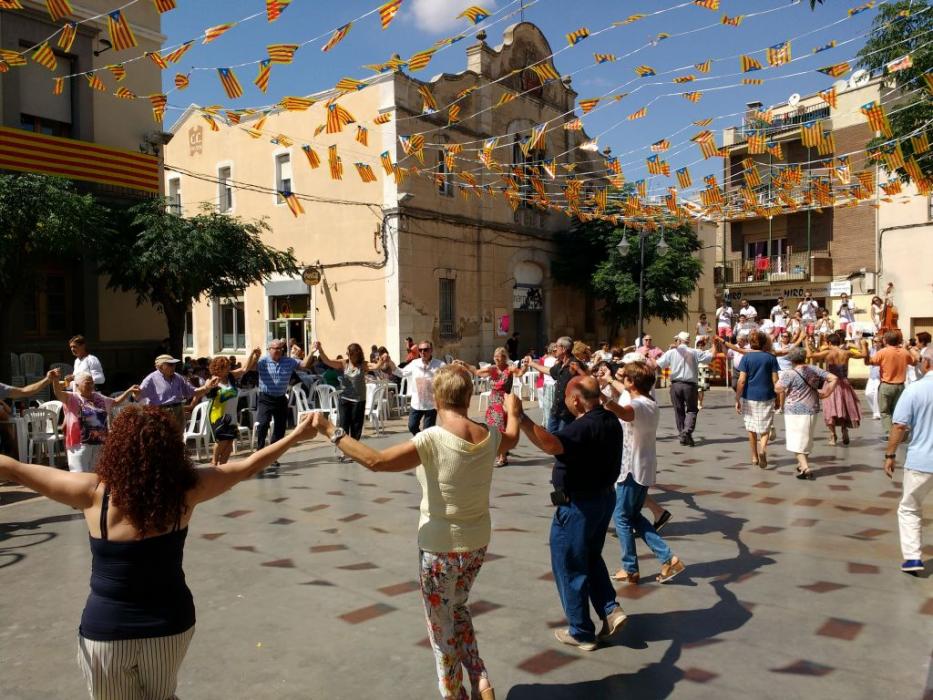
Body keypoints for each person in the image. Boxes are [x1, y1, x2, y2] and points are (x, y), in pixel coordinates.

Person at [0, 407, 316, 699]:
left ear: (116, 448)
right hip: (170, 624)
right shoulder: (188, 490)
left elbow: (13, 469)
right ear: (170, 450)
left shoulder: (92, 492)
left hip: (107, 631)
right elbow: (248, 466)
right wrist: (296, 435)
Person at [313, 365, 519, 700]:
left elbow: (376, 461)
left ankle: (454, 693)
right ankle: (481, 679)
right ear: (469, 397)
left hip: (440, 549)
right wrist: (513, 412)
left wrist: (331, 430)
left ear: (437, 398)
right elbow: (512, 436)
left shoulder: (431, 439)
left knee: (441, 630)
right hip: (476, 543)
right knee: (458, 608)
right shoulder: (487, 434)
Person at [514, 376, 628, 651]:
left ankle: (581, 631)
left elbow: (552, 445)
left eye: (566, 397)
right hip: (603, 499)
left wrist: (522, 418)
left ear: (575, 399)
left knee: (569, 565)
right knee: (589, 556)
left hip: (579, 505)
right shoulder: (610, 420)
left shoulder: (585, 426)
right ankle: (610, 609)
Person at [601, 361, 685, 585]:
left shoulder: (638, 406)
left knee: (621, 516)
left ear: (632, 382)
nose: (622, 379)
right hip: (642, 465)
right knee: (633, 516)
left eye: (625, 377)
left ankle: (630, 568)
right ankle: (668, 558)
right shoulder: (650, 402)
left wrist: (599, 396)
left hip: (632, 468)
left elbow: (622, 412)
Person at [885, 350, 933, 574]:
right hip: (922, 460)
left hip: (922, 460)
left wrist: (890, 454)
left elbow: (899, 425)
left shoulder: (915, 389)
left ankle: (913, 558)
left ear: (926, 363)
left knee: (910, 508)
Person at [49, 369, 138, 473]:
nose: (91, 385)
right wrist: (55, 380)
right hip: (79, 445)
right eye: (88, 383)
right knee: (80, 477)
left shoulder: (98, 397)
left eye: (92, 383)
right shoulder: (71, 397)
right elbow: (57, 392)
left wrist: (129, 391)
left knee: (96, 475)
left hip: (99, 443)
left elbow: (115, 402)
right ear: (77, 385)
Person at [775, 347, 838, 480]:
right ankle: (801, 464)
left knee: (795, 440)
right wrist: (827, 393)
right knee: (806, 438)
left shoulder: (789, 373)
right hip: (812, 408)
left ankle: (805, 467)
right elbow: (834, 378)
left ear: (792, 360)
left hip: (793, 410)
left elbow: (778, 388)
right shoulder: (814, 369)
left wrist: (776, 380)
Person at [314, 342, 388, 454]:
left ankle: (353, 451)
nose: (351, 356)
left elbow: (376, 366)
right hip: (345, 399)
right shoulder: (343, 363)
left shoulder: (362, 365)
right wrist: (320, 350)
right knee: (344, 426)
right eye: (350, 354)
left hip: (358, 401)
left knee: (356, 427)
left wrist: (381, 360)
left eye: (354, 354)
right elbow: (327, 361)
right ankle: (345, 451)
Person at [255, 339, 313, 477]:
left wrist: (311, 351)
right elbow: (248, 368)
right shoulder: (263, 362)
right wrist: (254, 356)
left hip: (281, 398)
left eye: (281, 349)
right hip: (266, 397)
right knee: (263, 424)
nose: (279, 351)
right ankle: (259, 451)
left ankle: (273, 455)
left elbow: (304, 364)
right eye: (275, 348)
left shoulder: (288, 361)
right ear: (269, 349)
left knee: (280, 429)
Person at [457, 348, 524, 467]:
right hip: (493, 403)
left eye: (499, 356)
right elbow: (477, 372)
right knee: (493, 430)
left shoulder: (510, 369)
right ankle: (500, 453)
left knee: (500, 429)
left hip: (504, 402)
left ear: (504, 357)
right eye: (495, 356)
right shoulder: (492, 369)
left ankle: (502, 457)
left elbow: (520, 373)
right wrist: (465, 364)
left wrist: (526, 366)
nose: (496, 358)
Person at [203, 350, 260, 466]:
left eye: (229, 366)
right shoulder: (213, 381)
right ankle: (214, 462)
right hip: (218, 414)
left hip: (232, 414)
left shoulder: (230, 377)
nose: (229, 368)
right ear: (218, 369)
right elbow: (204, 391)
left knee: (230, 441)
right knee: (222, 440)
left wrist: (254, 356)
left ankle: (223, 466)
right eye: (226, 367)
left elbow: (244, 369)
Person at [656, 331, 713, 447]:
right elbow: (709, 358)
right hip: (690, 385)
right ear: (688, 341)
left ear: (679, 341)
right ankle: (686, 432)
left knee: (679, 410)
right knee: (692, 410)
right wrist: (715, 346)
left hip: (675, 385)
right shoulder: (695, 352)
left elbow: (658, 364)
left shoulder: (671, 352)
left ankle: (683, 434)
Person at [735, 331, 780, 468]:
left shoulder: (746, 358)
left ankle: (754, 457)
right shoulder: (771, 358)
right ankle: (763, 449)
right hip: (766, 395)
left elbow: (741, 380)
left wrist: (737, 398)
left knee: (751, 428)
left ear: (751, 342)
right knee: (765, 428)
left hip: (749, 396)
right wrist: (778, 397)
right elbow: (775, 379)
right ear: (764, 342)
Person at [138, 355, 217, 432]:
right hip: (161, 412)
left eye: (174, 364)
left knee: (178, 439)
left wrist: (206, 387)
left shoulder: (178, 377)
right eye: (170, 364)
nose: (173, 367)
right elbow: (137, 397)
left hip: (178, 410)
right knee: (163, 439)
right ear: (160, 366)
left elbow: (192, 391)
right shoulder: (150, 379)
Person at [807, 333, 861, 445]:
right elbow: (864, 354)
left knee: (830, 409)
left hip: (831, 383)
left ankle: (832, 435)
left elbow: (810, 355)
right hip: (844, 383)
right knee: (844, 407)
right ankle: (844, 430)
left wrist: (806, 343)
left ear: (829, 343)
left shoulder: (828, 353)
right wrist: (861, 343)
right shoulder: (846, 352)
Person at [861, 332, 916, 438]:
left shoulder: (883, 352)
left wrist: (865, 347)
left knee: (885, 411)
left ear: (885, 341)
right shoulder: (904, 352)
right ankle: (899, 432)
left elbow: (868, 362)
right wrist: (908, 349)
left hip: (886, 385)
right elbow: (914, 362)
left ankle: (890, 434)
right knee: (897, 411)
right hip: (900, 386)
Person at [524, 337, 585, 433]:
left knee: (562, 441)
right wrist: (532, 364)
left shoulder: (575, 365)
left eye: (556, 346)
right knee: (551, 438)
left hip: (567, 412)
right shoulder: (561, 364)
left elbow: (587, 381)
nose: (554, 349)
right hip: (556, 410)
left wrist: (579, 371)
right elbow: (549, 371)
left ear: (564, 349)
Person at [395, 340, 445, 435]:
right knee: (412, 426)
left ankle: (424, 445)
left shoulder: (440, 365)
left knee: (428, 432)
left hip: (431, 404)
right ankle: (421, 441)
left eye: (425, 349)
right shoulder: (414, 363)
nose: (422, 352)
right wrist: (390, 365)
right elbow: (401, 373)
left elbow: (447, 378)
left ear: (431, 350)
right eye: (420, 350)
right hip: (416, 403)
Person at [864, 336, 883, 420]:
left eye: (877, 341)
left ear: (881, 342)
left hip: (880, 376)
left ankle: (877, 413)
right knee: (868, 393)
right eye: (874, 341)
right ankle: (876, 411)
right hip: (872, 375)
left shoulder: (883, 351)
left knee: (876, 394)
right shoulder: (871, 350)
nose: (875, 343)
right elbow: (863, 353)